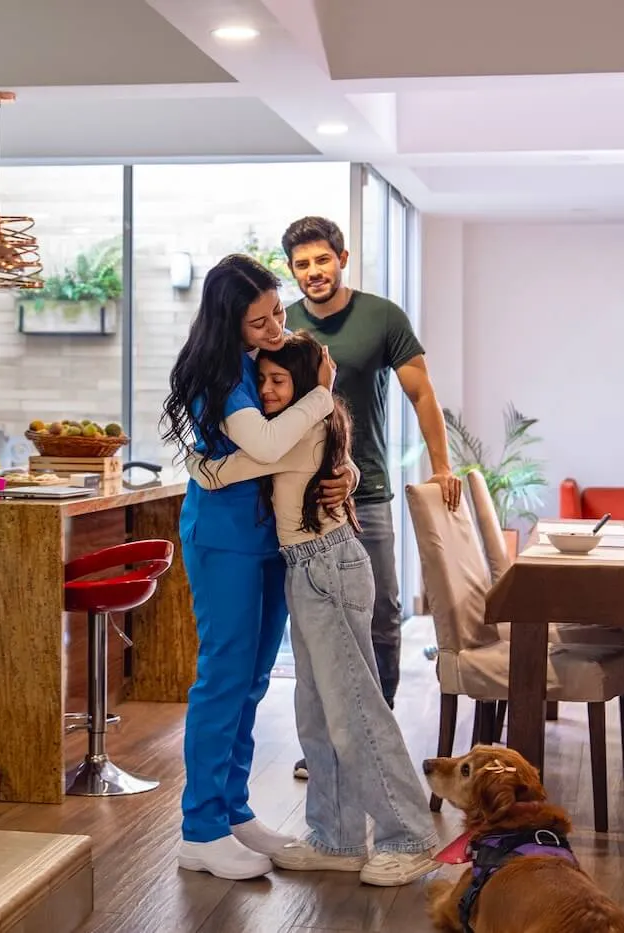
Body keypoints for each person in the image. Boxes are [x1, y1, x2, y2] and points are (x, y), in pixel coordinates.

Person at [186, 332, 439, 885]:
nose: (266, 391)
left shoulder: (301, 428)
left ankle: (410, 835)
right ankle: (337, 837)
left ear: (303, 384)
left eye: (279, 381)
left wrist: (200, 462)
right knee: (318, 713)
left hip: (328, 568)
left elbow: (219, 471)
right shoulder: (302, 423)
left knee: (355, 711)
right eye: (263, 380)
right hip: (307, 570)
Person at [161, 254, 355, 881]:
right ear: (228, 323)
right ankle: (201, 830)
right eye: (259, 321)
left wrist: (344, 471)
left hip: (270, 538)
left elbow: (305, 445)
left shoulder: (264, 362)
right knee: (223, 678)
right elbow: (271, 444)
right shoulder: (215, 377)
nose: (276, 328)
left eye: (277, 312)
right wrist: (322, 393)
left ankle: (233, 810)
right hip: (224, 542)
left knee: (252, 680)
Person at [281, 216, 461, 780]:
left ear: (342, 259)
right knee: (314, 621)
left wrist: (441, 466)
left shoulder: (382, 317)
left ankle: (373, 738)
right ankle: (325, 744)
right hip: (298, 495)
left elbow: (421, 393)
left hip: (369, 491)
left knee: (380, 613)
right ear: (292, 270)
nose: (313, 271)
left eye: (322, 260)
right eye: (302, 264)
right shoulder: (284, 325)